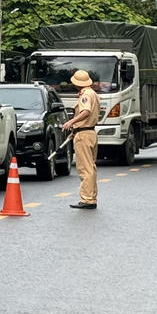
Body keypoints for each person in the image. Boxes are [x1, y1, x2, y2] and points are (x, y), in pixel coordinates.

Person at [61, 69, 100, 209]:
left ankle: (87, 199)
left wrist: (71, 122)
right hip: (89, 132)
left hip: (84, 135)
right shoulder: (92, 93)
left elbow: (86, 112)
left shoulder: (85, 95)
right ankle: (91, 197)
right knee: (91, 167)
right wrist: (75, 130)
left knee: (85, 168)